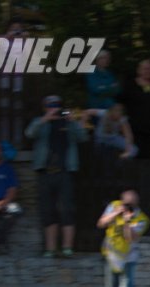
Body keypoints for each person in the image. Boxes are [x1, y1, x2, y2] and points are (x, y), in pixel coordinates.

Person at [25, 94, 88, 258]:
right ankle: (50, 249)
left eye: (57, 106)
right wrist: (45, 119)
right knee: (48, 210)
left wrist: (73, 122)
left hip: (65, 172)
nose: (54, 109)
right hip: (45, 172)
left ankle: (67, 247)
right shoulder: (40, 122)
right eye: (50, 106)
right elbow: (29, 133)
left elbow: (83, 137)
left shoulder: (68, 123)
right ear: (44, 108)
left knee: (67, 210)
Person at [96, 189, 150, 287]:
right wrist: (116, 213)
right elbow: (101, 223)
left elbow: (130, 238)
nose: (127, 205)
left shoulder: (141, 218)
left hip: (128, 259)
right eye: (126, 202)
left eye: (131, 203)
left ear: (137, 203)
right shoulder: (114, 206)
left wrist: (127, 221)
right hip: (111, 256)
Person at [118, 59, 150, 158]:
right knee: (135, 153)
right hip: (133, 128)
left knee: (148, 155)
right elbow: (120, 103)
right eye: (145, 69)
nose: (148, 71)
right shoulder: (130, 85)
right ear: (139, 70)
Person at [85, 50, 120, 119]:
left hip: (110, 108)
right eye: (104, 58)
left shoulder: (110, 74)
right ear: (97, 59)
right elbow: (94, 89)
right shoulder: (91, 72)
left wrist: (103, 87)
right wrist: (110, 87)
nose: (106, 60)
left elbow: (117, 90)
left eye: (108, 58)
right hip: (96, 108)